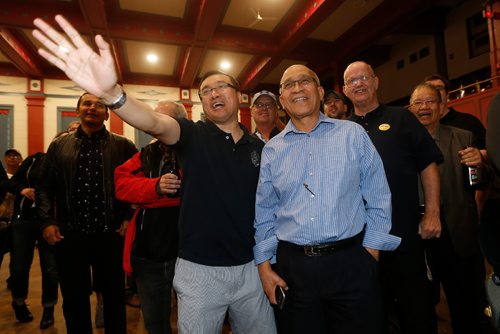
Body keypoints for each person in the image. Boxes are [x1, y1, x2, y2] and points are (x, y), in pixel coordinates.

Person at [32, 15, 276, 333]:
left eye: (222, 87)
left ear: (238, 95)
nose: (215, 93)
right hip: (200, 272)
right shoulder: (192, 135)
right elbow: (154, 123)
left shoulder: (259, 149)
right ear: (201, 102)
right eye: (207, 90)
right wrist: (112, 94)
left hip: (249, 269)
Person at [254, 64, 401, 333]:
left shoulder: (352, 134)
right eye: (289, 85)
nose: (297, 88)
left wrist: (371, 254)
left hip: (351, 262)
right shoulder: (272, 150)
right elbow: (264, 211)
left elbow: (379, 195)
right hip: (293, 270)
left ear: (320, 91)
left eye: (305, 81)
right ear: (282, 99)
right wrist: (264, 266)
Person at [344, 61, 443, 333]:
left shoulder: (402, 118)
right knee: (374, 312)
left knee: (417, 310)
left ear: (376, 82)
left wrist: (432, 212)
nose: (359, 83)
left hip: (405, 234)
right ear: (345, 90)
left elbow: (428, 165)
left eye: (364, 77)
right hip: (362, 242)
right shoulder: (342, 131)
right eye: (352, 80)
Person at [35, 92, 137, 333]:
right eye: (87, 103)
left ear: (107, 113)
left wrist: (127, 217)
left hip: (110, 235)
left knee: (113, 299)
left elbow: (138, 184)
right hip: (70, 236)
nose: (92, 108)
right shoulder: (59, 145)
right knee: (73, 299)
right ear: (77, 109)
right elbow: (43, 188)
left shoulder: (123, 145)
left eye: (99, 105)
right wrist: (47, 220)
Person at [409, 83, 491, 334]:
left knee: (467, 304)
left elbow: (480, 182)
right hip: (417, 235)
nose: (424, 107)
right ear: (410, 109)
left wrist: (478, 165)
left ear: (442, 107)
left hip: (457, 231)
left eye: (430, 102)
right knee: (421, 307)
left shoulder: (462, 137)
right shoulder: (401, 144)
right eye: (418, 103)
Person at [114, 100, 187, 334]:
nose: (157, 124)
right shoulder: (146, 153)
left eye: (163, 119)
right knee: (155, 321)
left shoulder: (194, 150)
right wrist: (155, 187)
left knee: (195, 318)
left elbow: (197, 192)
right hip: (148, 253)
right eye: (154, 118)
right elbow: (121, 185)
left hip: (189, 253)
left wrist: (146, 196)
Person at [6, 151, 59, 328]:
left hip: (53, 221)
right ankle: (19, 302)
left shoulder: (71, 163)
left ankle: (49, 309)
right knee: (19, 266)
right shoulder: (36, 159)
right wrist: (22, 189)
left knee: (51, 268)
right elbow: (13, 182)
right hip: (25, 219)